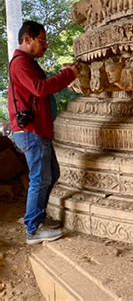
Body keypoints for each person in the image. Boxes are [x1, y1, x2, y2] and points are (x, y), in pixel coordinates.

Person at [8, 21, 78, 245]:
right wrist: (69, 74)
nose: (45, 46)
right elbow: (40, 88)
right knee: (40, 177)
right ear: (27, 39)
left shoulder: (27, 63)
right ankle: (33, 228)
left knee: (51, 174)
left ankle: (36, 217)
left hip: (39, 130)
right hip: (31, 130)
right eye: (42, 41)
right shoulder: (21, 63)